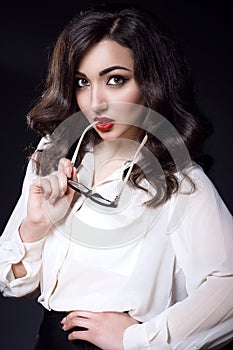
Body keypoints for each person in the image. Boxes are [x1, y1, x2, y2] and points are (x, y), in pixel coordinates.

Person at [0, 3, 233, 349]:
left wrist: (138, 338)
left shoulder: (178, 180)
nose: (96, 102)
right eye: (82, 82)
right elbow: (12, 284)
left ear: (150, 84)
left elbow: (228, 287)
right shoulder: (55, 153)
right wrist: (37, 225)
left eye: (115, 80)